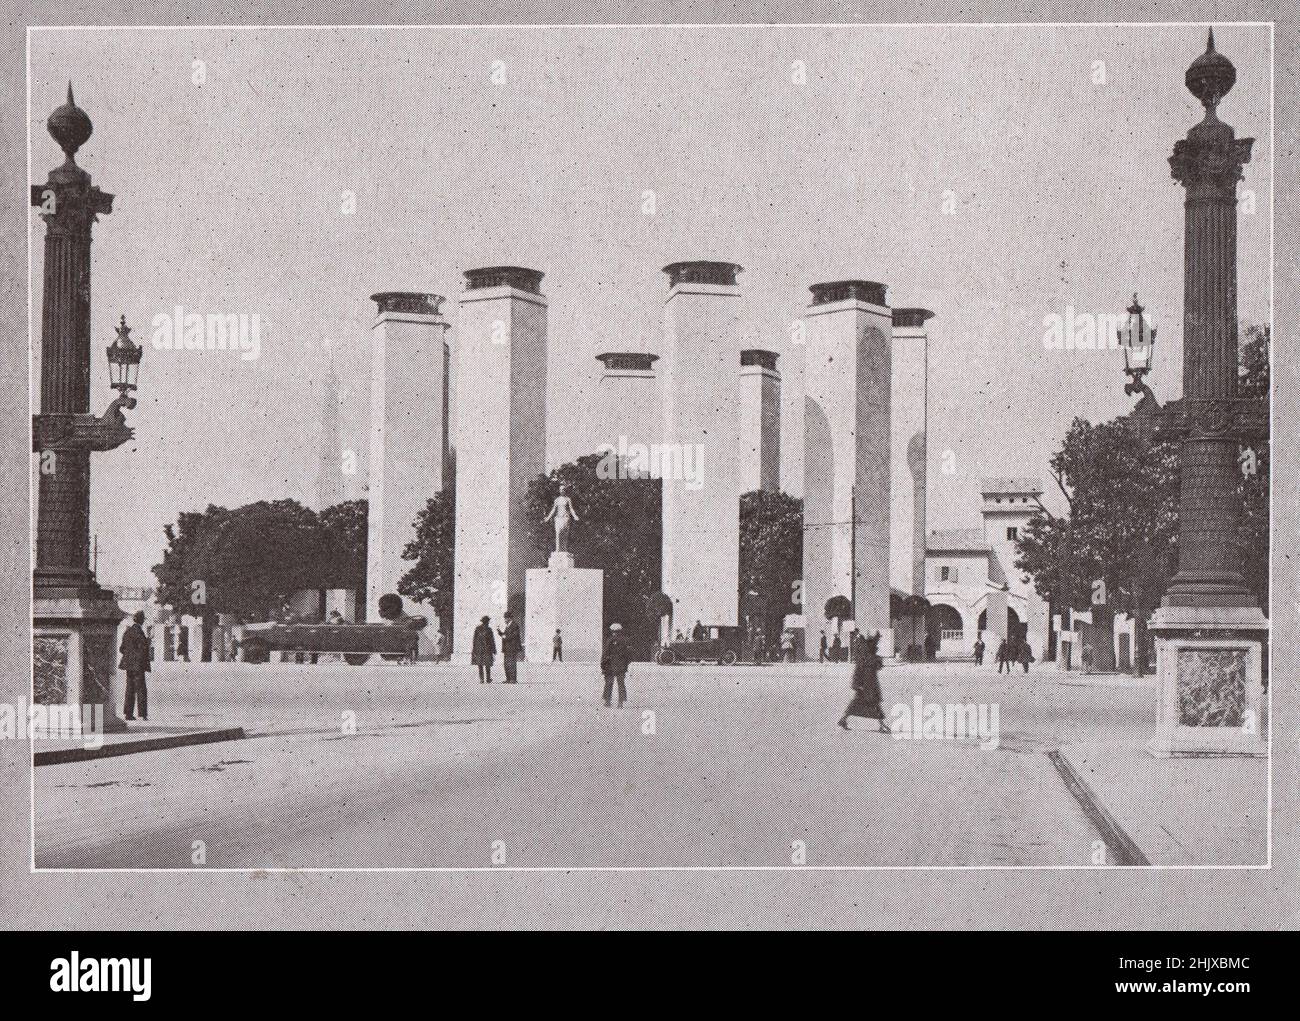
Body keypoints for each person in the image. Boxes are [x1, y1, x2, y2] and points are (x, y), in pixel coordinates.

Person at [838, 632, 889, 733]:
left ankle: (843, 719)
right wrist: (857, 685)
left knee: (856, 704)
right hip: (868, 687)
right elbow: (877, 665)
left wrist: (856, 685)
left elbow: (860, 672)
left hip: (865, 687)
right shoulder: (871, 658)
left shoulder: (864, 658)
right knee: (874, 705)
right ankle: (882, 725)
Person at [120, 610, 151, 722]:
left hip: (128, 665)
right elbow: (144, 649)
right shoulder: (140, 633)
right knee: (141, 689)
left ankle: (128, 714)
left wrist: (129, 656)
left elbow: (122, 648)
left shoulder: (127, 632)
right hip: (138, 665)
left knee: (129, 689)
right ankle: (142, 714)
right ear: (142, 620)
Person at [600, 622, 630, 708]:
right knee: (621, 683)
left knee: (609, 683)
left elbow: (605, 654)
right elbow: (628, 655)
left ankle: (607, 701)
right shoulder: (625, 641)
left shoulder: (609, 640)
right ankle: (620, 702)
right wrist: (626, 664)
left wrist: (603, 666)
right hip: (621, 665)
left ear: (612, 631)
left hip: (609, 665)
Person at [498, 611, 522, 683]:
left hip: (512, 647)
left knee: (512, 663)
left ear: (509, 618)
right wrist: (499, 632)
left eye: (505, 618)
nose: (504, 620)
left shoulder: (515, 625)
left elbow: (514, 636)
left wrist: (505, 636)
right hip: (507, 648)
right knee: (506, 663)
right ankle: (508, 679)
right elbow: (504, 635)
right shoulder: (508, 626)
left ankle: (513, 679)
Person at [472, 615, 496, 683]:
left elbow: (474, 640)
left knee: (480, 664)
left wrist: (474, 650)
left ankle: (481, 679)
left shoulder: (477, 629)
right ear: (487, 622)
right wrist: (494, 650)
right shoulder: (489, 629)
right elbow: (492, 641)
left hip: (479, 649)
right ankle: (488, 679)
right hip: (487, 649)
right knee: (487, 665)